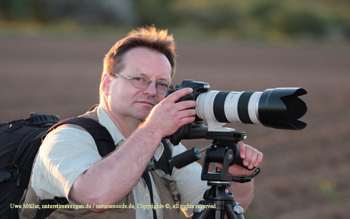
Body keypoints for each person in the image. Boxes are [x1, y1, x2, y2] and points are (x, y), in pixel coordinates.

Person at [22, 26, 263, 219]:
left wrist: (239, 178)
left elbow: (214, 213)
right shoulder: (67, 137)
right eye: (139, 79)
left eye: (162, 84)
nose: (151, 91)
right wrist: (154, 128)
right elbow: (95, 195)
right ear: (107, 83)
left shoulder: (166, 147)